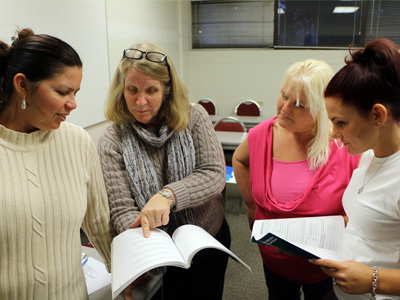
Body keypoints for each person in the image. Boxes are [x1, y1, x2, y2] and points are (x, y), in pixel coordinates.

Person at [97, 42, 230, 300]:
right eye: (131, 89)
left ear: (167, 91)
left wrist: (167, 196)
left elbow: (214, 173)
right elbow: (123, 210)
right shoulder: (112, 141)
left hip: (206, 241)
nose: (140, 101)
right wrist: (142, 258)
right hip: (156, 255)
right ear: (121, 89)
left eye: (152, 90)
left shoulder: (194, 117)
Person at [0, 28, 114, 300]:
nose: (73, 104)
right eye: (63, 91)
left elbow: (98, 221)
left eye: (75, 92)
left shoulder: (77, 141)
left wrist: (123, 269)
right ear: (22, 85)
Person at [232, 59, 360, 300]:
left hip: (325, 267)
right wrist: (251, 207)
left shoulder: (343, 146)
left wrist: (343, 225)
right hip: (274, 260)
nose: (285, 108)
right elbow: (239, 160)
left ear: (322, 110)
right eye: (284, 95)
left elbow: (363, 204)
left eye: (300, 105)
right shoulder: (262, 134)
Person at [311, 39, 400, 300]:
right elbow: (371, 219)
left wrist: (373, 280)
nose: (333, 133)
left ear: (377, 116)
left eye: (341, 122)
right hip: (343, 291)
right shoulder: (369, 154)